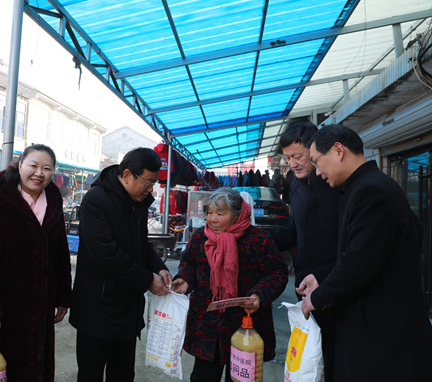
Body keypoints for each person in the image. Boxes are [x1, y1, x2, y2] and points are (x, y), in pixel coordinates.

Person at [299, 124, 432, 381]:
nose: (317, 172)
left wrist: (317, 298)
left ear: (338, 151)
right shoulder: (368, 186)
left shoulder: (371, 191)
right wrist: (323, 278)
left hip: (384, 335)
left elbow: (359, 263)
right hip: (379, 329)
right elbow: (371, 252)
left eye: (317, 162)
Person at [0, 144, 72, 381]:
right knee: (1, 371)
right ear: (20, 166)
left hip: (41, 305)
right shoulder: (0, 202)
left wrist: (63, 297)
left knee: (36, 367)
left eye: (47, 168)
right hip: (4, 308)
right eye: (33, 166)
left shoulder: (54, 204)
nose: (39, 173)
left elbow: (61, 255)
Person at [70, 147, 172, 382]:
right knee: (91, 373)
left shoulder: (137, 201)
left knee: (123, 373)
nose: (150, 189)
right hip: (97, 307)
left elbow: (141, 244)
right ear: (127, 175)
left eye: (153, 183)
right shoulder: (96, 200)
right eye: (147, 182)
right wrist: (147, 280)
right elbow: (105, 253)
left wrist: (160, 268)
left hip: (126, 309)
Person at [172, 187, 288, 382]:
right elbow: (189, 263)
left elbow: (277, 272)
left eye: (220, 213)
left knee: (241, 377)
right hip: (207, 325)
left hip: (245, 325)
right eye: (209, 213)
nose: (212, 219)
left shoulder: (259, 240)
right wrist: (184, 279)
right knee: (203, 376)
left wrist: (259, 295)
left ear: (237, 214)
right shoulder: (201, 237)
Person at [270, 121, 340, 381]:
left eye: (298, 156)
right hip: (304, 288)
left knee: (334, 358)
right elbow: (296, 230)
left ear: (314, 150)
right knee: (309, 359)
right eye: (288, 158)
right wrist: (260, 242)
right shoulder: (295, 186)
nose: (292, 163)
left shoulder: (337, 185)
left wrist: (327, 277)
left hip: (335, 286)